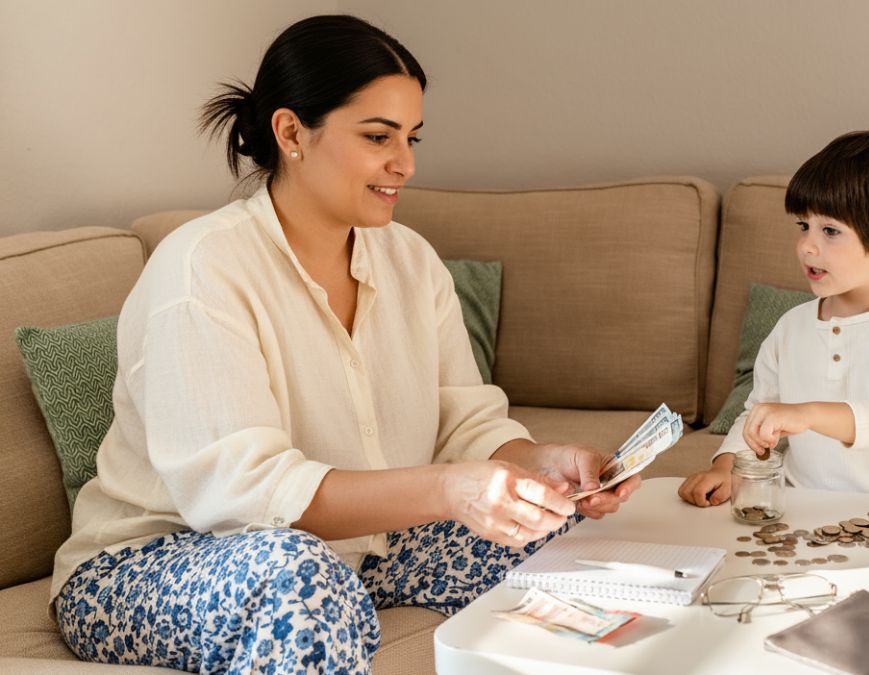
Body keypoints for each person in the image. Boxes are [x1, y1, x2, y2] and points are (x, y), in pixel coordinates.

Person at [52, 15, 639, 673]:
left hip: (357, 551)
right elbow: (250, 499)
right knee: (299, 576)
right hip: (151, 565)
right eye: (378, 137)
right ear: (292, 132)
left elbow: (466, 424)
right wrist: (453, 490)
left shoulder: (411, 261)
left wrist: (544, 463)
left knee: (549, 529)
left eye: (411, 137)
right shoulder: (203, 270)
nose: (406, 163)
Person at [679, 131, 869, 507]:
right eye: (804, 225)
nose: (807, 245)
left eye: (830, 231)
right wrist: (726, 466)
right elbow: (758, 411)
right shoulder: (790, 327)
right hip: (799, 511)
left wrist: (807, 414)